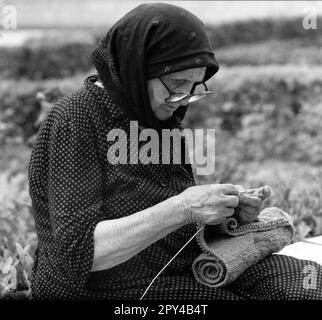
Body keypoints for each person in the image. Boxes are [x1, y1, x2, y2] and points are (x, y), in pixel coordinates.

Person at [28, 3, 321, 300]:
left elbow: (171, 213)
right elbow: (78, 251)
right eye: (177, 84)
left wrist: (221, 213)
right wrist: (184, 207)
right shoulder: (75, 119)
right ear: (136, 65)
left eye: (194, 87)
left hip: (181, 266)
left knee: (308, 283)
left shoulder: (159, 116)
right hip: (105, 288)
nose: (181, 100)